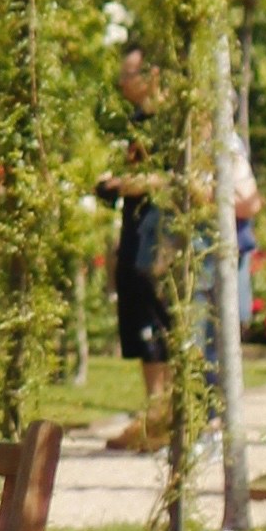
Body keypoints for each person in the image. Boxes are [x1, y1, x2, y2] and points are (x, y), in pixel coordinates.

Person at [96, 49, 174, 452]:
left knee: (162, 316)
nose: (122, 83)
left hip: (159, 232)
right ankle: (153, 411)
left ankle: (167, 415)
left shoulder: (171, 123)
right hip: (134, 229)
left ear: (151, 73)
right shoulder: (134, 123)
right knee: (139, 319)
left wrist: (131, 183)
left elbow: (177, 176)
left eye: (128, 75)